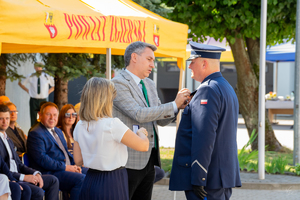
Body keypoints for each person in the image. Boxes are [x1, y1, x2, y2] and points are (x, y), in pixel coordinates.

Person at [112, 41, 191, 200]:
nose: (152, 64)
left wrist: (176, 108)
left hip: (149, 160)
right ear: (134, 57)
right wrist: (173, 104)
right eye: (149, 59)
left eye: (153, 60)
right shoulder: (117, 83)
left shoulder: (149, 83)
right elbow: (139, 114)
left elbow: (159, 120)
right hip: (128, 161)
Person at [169, 42, 242, 200]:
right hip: (219, 175)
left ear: (204, 63)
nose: (189, 67)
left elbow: (204, 137)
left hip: (207, 179)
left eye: (192, 62)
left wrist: (199, 177)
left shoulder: (207, 89)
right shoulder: (225, 87)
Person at [73, 77, 149, 200]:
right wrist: (141, 133)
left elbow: (78, 160)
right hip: (112, 181)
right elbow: (143, 146)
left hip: (89, 180)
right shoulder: (112, 124)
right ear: (105, 100)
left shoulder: (79, 125)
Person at [27, 102, 86, 200]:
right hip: (49, 173)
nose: (52, 118)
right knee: (81, 179)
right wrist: (65, 167)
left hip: (63, 168)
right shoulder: (36, 133)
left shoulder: (57, 131)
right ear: (40, 115)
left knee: (91, 173)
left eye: (54, 115)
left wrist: (75, 166)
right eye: (48, 114)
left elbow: (65, 153)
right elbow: (43, 159)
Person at [0, 104, 59, 200]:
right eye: (1, 119)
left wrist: (35, 173)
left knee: (53, 180)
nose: (5, 122)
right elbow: (3, 169)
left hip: (19, 175)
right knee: (37, 191)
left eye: (7, 118)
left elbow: (19, 164)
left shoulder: (8, 139)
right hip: (10, 178)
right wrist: (24, 177)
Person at [18, 62, 55, 126]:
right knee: (33, 117)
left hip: (43, 99)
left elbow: (54, 85)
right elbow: (20, 83)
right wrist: (27, 90)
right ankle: (33, 130)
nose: (38, 68)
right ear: (34, 67)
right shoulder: (30, 76)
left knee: (44, 116)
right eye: (37, 66)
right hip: (34, 99)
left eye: (40, 66)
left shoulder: (47, 76)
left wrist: (48, 92)